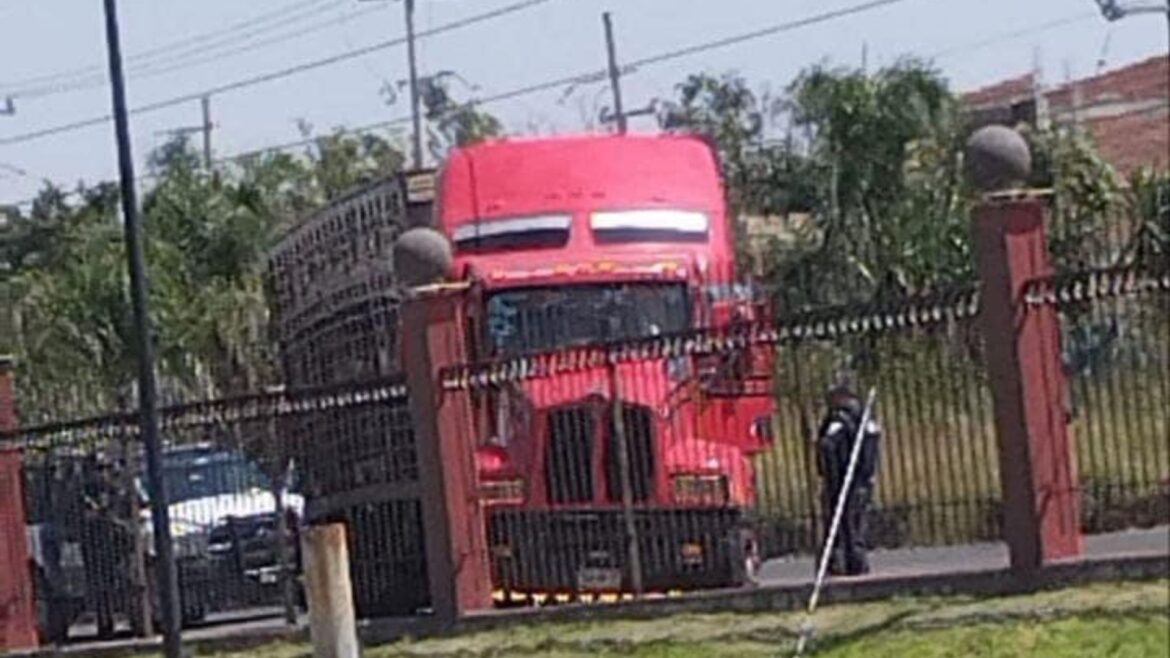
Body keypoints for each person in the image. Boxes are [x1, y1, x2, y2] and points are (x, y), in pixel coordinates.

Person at [815, 381, 881, 576]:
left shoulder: (839, 420)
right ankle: (856, 562)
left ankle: (843, 562)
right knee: (857, 522)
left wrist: (829, 473)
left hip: (843, 479)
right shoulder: (866, 420)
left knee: (844, 523)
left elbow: (827, 446)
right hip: (862, 479)